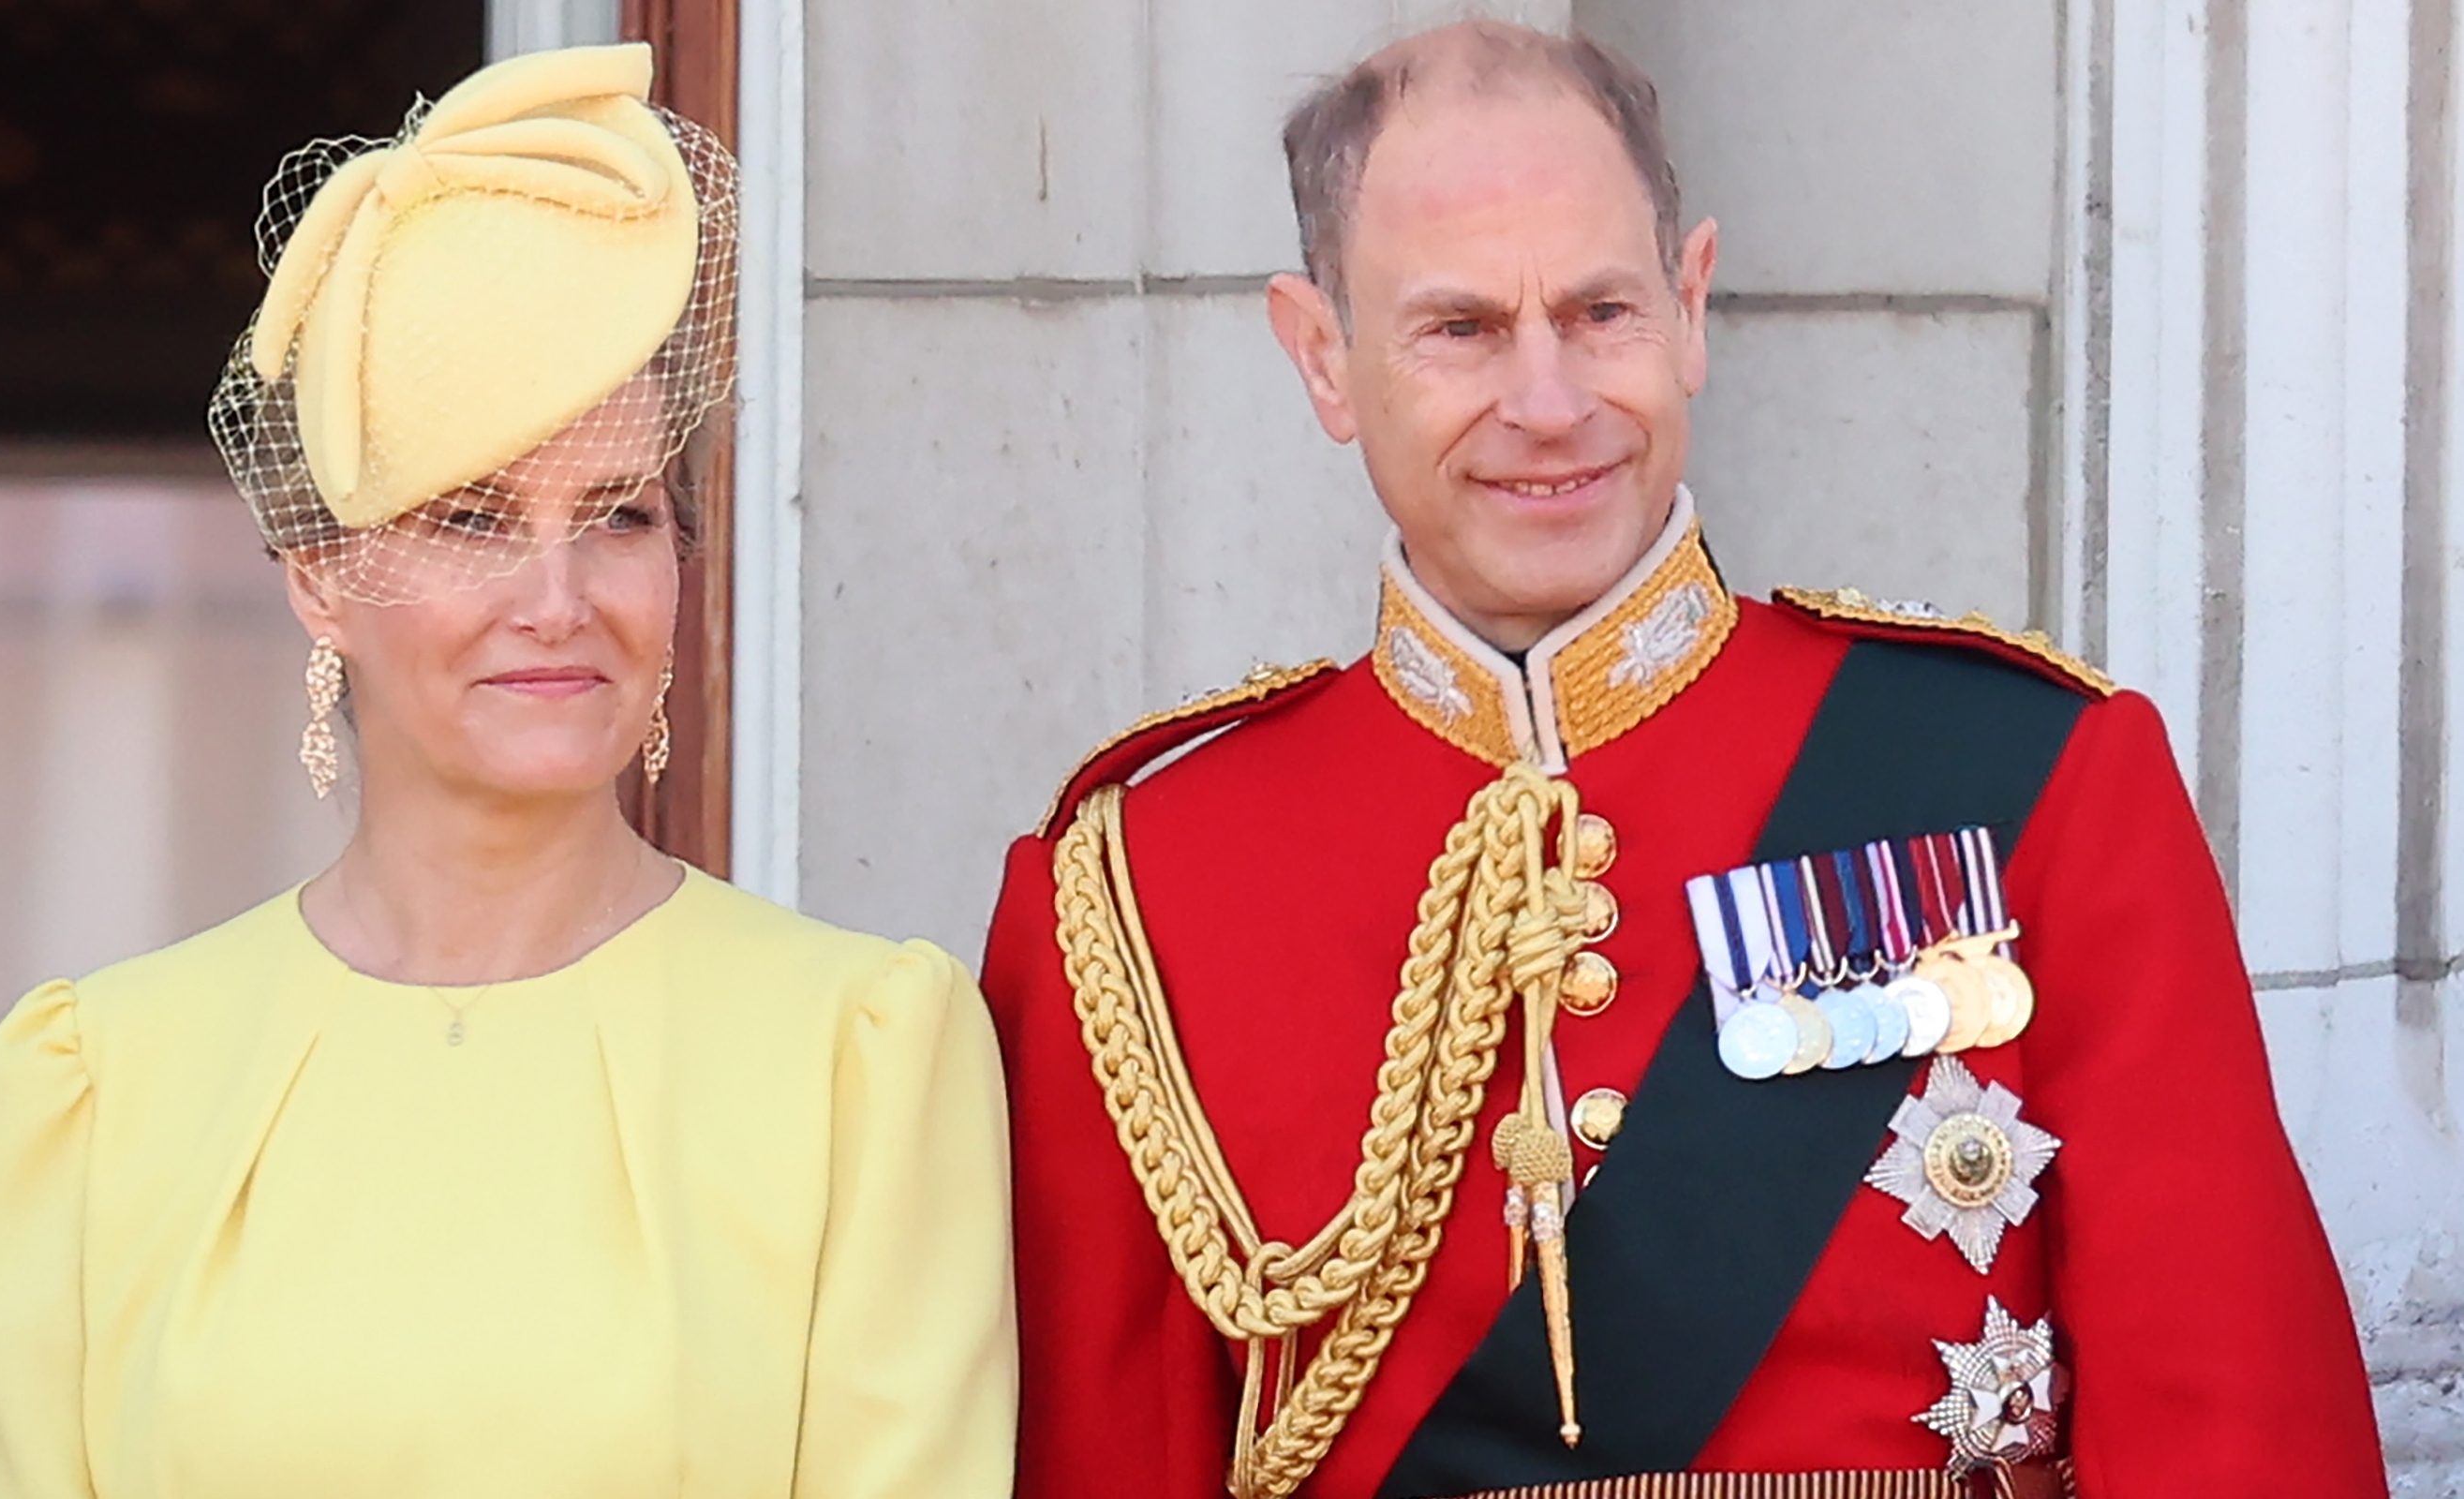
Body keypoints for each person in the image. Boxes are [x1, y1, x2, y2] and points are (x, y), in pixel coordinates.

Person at [982, 21, 2385, 1499]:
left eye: (1601, 312)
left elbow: (2239, 1429)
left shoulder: (2032, 777)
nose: (1549, 401)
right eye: (1459, 329)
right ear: (1322, 359)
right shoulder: (1132, 889)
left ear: (1692, 302)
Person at [0, 44, 1015, 1499]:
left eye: (620, 514)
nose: (560, 596)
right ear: (320, 578)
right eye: (473, 515)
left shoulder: (862, 1057)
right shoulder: (94, 1083)